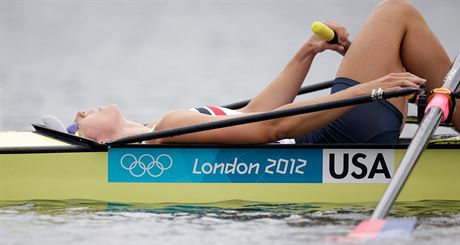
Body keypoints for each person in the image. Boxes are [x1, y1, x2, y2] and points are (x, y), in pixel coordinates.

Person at [72, 0, 457, 145]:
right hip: (333, 136)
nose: (79, 114)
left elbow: (259, 111)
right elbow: (276, 128)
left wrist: (308, 51)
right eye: (75, 129)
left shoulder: (163, 125)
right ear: (100, 145)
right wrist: (370, 90)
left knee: (400, 48)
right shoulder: (168, 130)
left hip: (335, 128)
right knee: (395, 13)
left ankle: (449, 109)